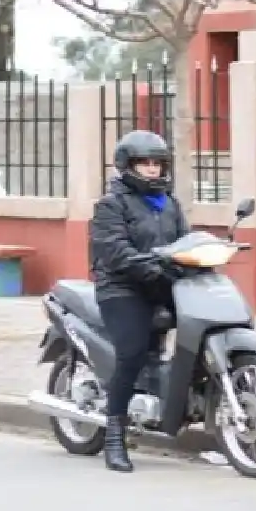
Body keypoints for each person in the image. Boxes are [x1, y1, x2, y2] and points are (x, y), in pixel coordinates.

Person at [89, 129, 189, 473]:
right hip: (122, 287)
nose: (152, 169)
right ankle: (114, 434)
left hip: (160, 282)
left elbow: (184, 241)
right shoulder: (110, 204)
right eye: (144, 163)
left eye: (157, 163)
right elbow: (115, 250)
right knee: (131, 353)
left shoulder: (170, 203)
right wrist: (149, 265)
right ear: (127, 165)